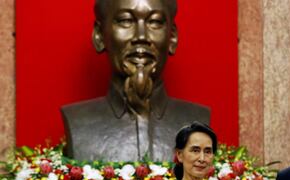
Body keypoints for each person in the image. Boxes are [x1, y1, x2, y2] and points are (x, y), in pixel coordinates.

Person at [61, 0, 210, 162]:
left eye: (154, 22)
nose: (141, 36)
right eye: (125, 21)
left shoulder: (198, 120)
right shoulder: (78, 121)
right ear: (99, 36)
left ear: (172, 37)